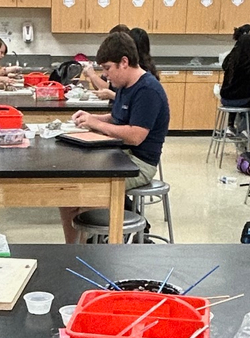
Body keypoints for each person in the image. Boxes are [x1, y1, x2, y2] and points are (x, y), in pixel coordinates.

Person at [59, 32, 170, 243]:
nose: (105, 75)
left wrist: (97, 124)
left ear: (124, 62)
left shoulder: (148, 90)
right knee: (66, 190)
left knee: (85, 190)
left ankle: (100, 247)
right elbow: (116, 117)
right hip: (120, 154)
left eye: (107, 68)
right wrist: (91, 118)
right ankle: (72, 250)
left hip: (139, 163)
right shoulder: (125, 86)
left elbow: (135, 136)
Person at [85, 27, 160, 101]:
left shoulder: (146, 87)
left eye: (107, 68)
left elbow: (113, 90)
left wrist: (93, 75)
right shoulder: (124, 82)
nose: (105, 73)